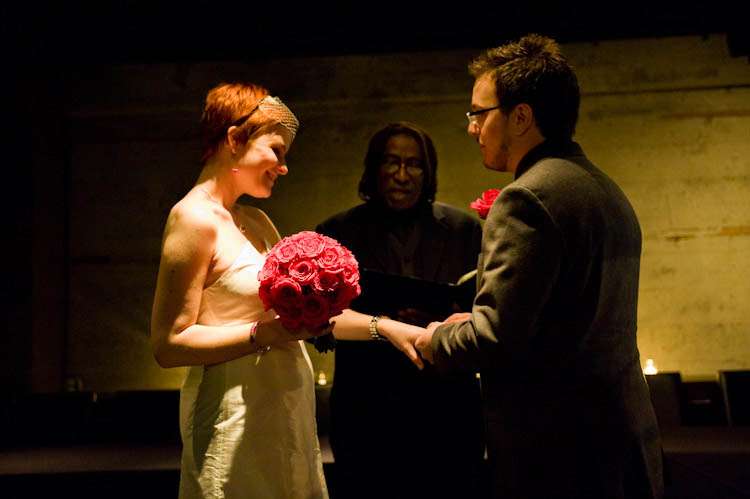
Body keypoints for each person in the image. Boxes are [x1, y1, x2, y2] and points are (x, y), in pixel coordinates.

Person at [413, 35, 664, 499]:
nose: (472, 128)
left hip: (559, 456)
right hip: (620, 441)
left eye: (478, 113)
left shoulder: (527, 197)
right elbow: (564, 319)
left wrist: (436, 338)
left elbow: (495, 339)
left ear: (521, 116)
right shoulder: (604, 189)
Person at [150, 83, 425, 499]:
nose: (283, 167)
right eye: (276, 151)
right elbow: (169, 343)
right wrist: (268, 333)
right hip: (234, 417)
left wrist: (385, 328)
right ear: (234, 139)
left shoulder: (257, 221)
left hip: (284, 409)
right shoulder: (193, 219)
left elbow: (303, 320)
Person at [316, 122, 485, 499]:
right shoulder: (335, 233)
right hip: (367, 409)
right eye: (391, 162)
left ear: (429, 172)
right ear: (374, 168)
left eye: (414, 164)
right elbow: (316, 325)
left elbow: (488, 311)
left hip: (448, 409)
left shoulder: (464, 230)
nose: (402, 175)